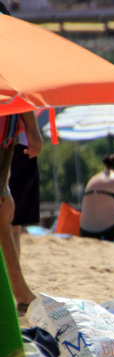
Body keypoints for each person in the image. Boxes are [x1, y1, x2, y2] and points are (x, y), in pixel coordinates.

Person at [0, 110, 42, 315]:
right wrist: (32, 128)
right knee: (4, 209)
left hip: (7, 135)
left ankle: (19, 292)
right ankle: (20, 293)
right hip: (7, 132)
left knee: (5, 207)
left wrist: (31, 127)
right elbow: (15, 84)